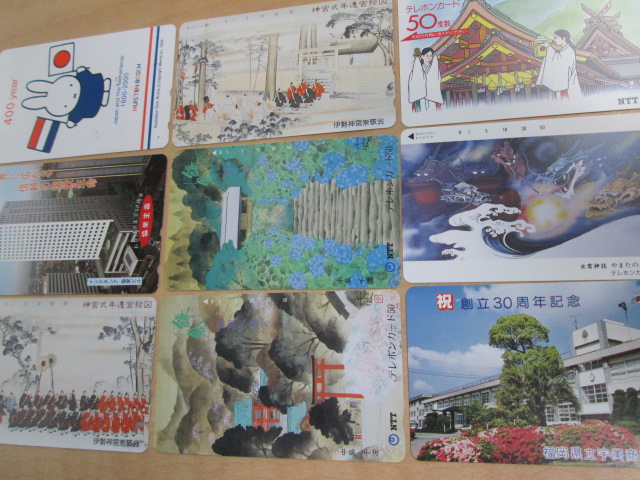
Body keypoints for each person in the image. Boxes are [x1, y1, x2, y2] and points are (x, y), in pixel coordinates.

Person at [537, 30, 582, 100]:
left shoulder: (569, 51)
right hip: (563, 85)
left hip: (565, 86)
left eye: (556, 38)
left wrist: (549, 48)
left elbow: (558, 62)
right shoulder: (565, 50)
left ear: (564, 38)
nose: (554, 40)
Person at [408, 47, 444, 113]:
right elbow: (412, 83)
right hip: (420, 98)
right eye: (427, 55)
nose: (429, 57)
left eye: (430, 56)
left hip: (433, 97)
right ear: (422, 56)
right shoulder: (417, 69)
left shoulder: (434, 69)